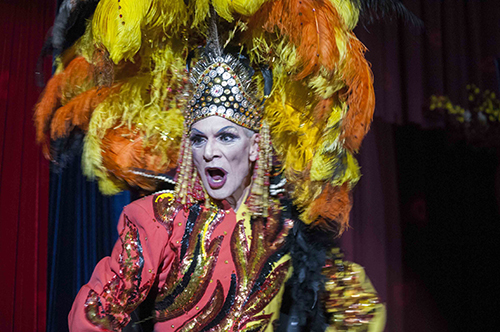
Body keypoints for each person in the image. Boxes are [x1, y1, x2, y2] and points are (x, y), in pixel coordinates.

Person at [34, 1, 419, 330]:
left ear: (255, 146)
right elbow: (94, 316)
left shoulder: (285, 230)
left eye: (227, 137)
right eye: (199, 139)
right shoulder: (161, 221)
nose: (209, 152)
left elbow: (361, 312)